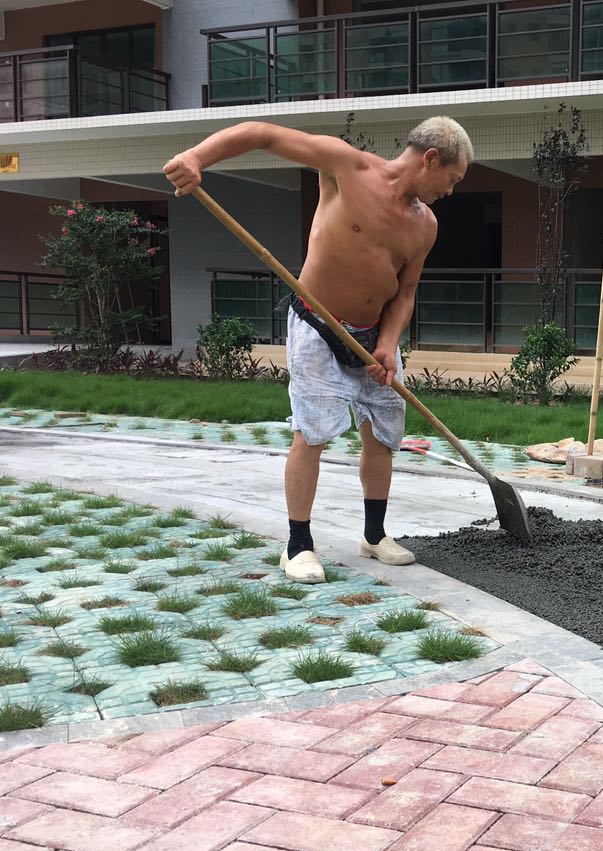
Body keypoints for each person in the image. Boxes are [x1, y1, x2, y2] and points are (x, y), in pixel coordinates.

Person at [163, 117, 472, 582]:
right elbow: (261, 134)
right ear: (431, 159)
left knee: (383, 435)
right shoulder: (345, 167)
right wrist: (196, 158)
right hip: (317, 324)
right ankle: (298, 544)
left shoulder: (425, 225)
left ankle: (373, 535)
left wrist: (388, 345)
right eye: (452, 180)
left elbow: (405, 292)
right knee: (313, 434)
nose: (450, 192)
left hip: (374, 339)